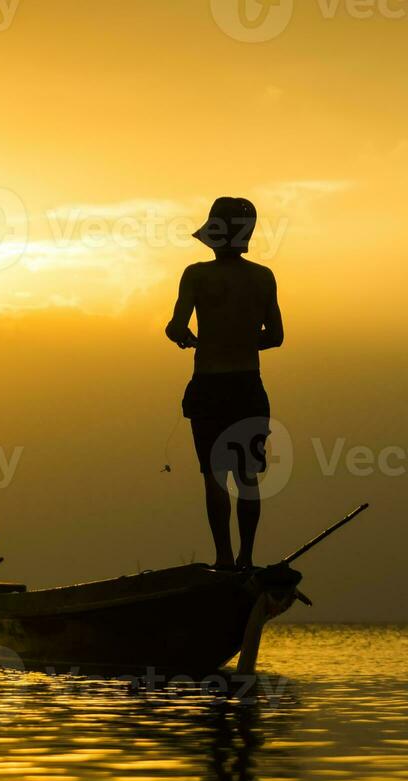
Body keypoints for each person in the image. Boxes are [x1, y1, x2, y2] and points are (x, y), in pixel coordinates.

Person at [165, 197, 284, 571]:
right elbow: (276, 336)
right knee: (247, 476)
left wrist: (188, 337)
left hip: (209, 387)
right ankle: (247, 559)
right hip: (248, 387)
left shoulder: (196, 275)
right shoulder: (262, 278)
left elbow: (174, 326)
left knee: (213, 475)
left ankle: (225, 559)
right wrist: (245, 340)